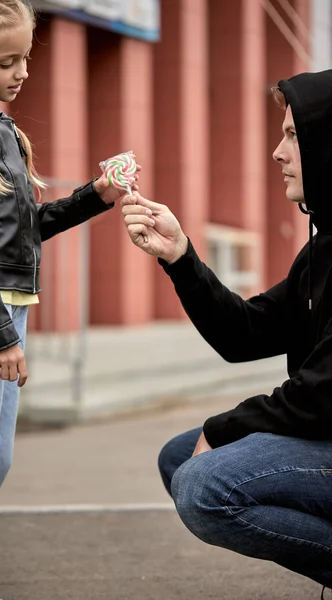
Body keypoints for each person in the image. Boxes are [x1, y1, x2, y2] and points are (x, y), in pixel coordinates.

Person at [0, 1, 140, 599]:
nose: (23, 71)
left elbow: (21, 229)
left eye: (26, 57)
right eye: (7, 61)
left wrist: (96, 196)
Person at [121, 70, 332, 599]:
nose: (277, 153)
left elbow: (321, 393)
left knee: (203, 483)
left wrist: (222, 427)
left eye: (292, 135)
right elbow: (245, 333)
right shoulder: (324, 248)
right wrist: (180, 256)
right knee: (179, 457)